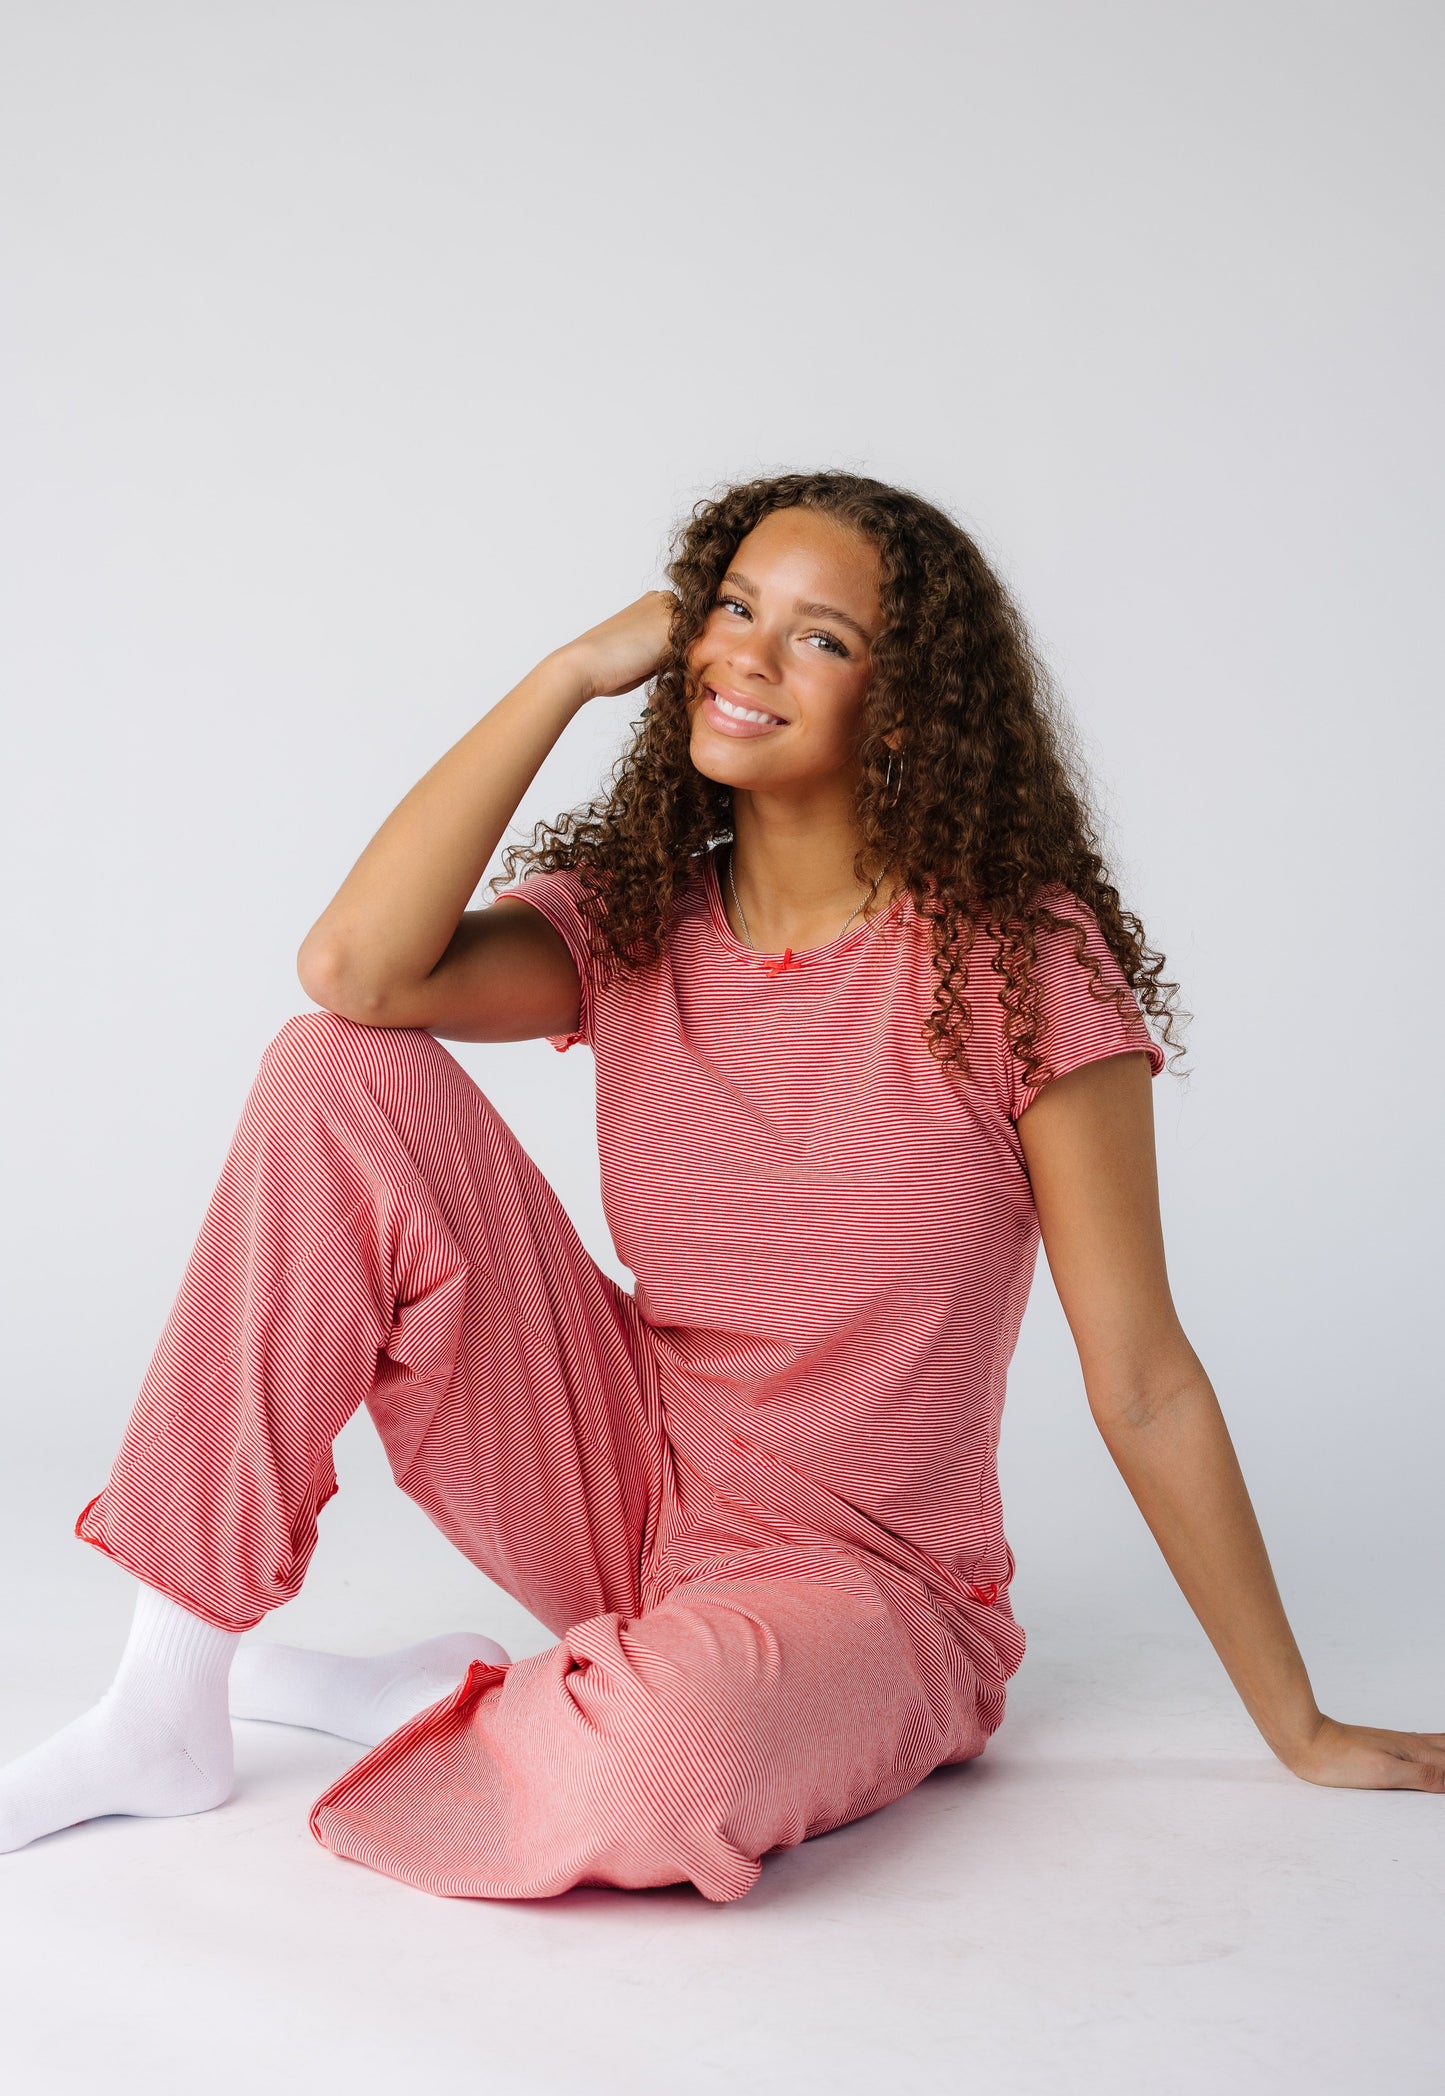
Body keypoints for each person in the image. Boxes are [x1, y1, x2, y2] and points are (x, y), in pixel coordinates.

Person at [3, 471, 1440, 1896]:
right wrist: (567, 675)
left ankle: (435, 1699)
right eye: (734, 608)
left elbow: (1143, 1381)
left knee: (656, 1768)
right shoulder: (640, 919)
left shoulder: (1019, 963)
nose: (749, 654)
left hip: (868, 1586)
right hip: (623, 1483)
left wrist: (1298, 1725)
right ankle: (166, 1700)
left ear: (904, 708)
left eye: (820, 636)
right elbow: (355, 973)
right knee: (336, 1066)